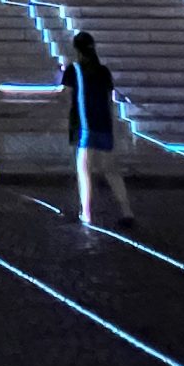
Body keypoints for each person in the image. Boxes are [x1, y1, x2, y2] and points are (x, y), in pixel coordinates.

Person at [62, 33, 136, 229]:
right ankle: (126, 210)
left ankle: (86, 212)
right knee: (111, 169)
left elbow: (67, 97)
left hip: (84, 125)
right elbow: (109, 99)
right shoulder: (103, 71)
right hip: (103, 124)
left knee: (84, 169)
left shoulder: (74, 70)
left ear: (77, 49)